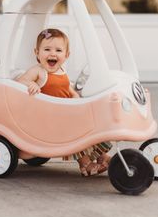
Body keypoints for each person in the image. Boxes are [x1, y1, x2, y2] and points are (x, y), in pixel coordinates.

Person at [16, 28, 111, 176]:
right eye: (47, 49)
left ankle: (102, 156)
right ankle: (85, 163)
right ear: (37, 53)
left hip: (65, 112)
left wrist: (75, 97)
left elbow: (68, 88)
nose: (52, 53)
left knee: (91, 126)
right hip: (51, 118)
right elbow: (20, 82)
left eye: (58, 50)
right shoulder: (38, 71)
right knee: (75, 134)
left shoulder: (62, 71)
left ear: (66, 55)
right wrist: (31, 84)